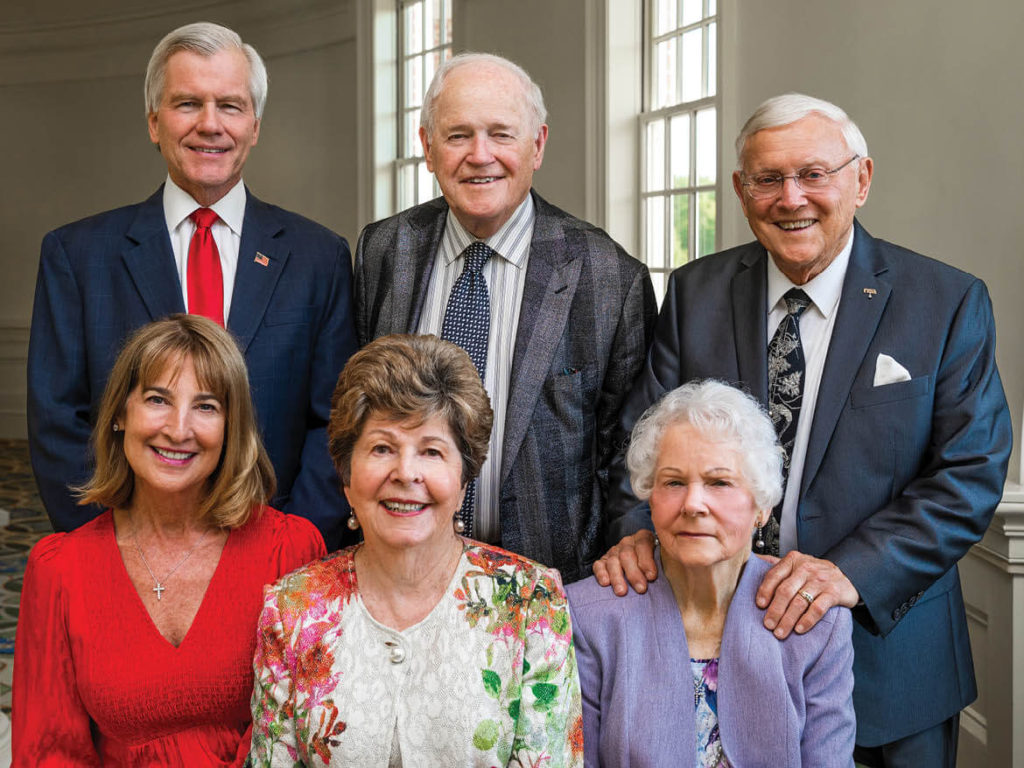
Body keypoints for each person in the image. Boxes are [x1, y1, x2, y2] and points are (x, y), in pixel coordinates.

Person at [596, 93, 1012, 766]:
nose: (792, 198)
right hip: (707, 648)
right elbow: (638, 444)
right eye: (768, 178)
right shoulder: (697, 293)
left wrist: (849, 573)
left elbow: (971, 470)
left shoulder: (945, 301)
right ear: (741, 189)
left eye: (814, 174)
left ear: (861, 179)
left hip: (888, 666)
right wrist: (636, 534)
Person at [28, 21, 357, 549]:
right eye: (187, 104)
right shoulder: (77, 255)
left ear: (255, 125)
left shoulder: (320, 256)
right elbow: (58, 422)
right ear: (154, 122)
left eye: (230, 105)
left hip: (276, 558)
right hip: (125, 555)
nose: (210, 124)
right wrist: (116, 549)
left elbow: (335, 422)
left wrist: (294, 547)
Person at [354, 52, 657, 583]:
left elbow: (627, 454)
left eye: (501, 134)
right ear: (426, 147)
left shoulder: (609, 276)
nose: (480, 155)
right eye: (458, 136)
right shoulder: (385, 249)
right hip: (396, 570)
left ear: (537, 145)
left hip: (547, 586)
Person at [250, 334, 582, 767]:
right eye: (382, 448)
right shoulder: (292, 609)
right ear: (346, 477)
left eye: (431, 451)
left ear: (464, 480)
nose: (406, 473)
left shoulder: (531, 603)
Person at [13, 315, 326, 766]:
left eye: (206, 406)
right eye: (158, 399)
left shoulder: (289, 552)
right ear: (120, 413)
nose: (179, 430)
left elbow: (305, 735)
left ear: (230, 428)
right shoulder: (60, 570)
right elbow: (50, 751)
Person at [570, 380, 855, 766]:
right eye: (673, 482)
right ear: (649, 497)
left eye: (719, 482)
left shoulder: (818, 626)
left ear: (762, 506)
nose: (693, 504)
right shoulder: (587, 617)